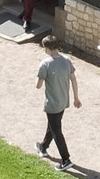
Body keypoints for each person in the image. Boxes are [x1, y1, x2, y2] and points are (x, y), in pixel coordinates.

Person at [33, 34, 81, 168]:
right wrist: (76, 98)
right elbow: (74, 79)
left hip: (52, 103)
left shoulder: (45, 64)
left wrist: (37, 78)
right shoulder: (66, 61)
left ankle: (66, 160)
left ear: (47, 49)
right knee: (53, 125)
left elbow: (38, 85)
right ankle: (43, 146)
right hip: (63, 101)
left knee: (56, 130)